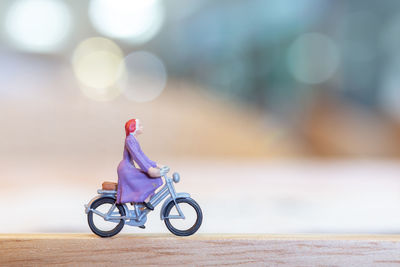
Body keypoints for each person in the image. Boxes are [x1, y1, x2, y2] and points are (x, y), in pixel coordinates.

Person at [116, 118, 164, 210]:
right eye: (140, 125)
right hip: (126, 169)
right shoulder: (130, 140)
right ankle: (143, 201)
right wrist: (149, 170)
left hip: (128, 168)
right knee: (151, 179)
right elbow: (137, 157)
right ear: (134, 127)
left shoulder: (133, 139)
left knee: (154, 179)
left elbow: (143, 156)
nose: (142, 127)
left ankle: (141, 207)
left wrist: (156, 165)